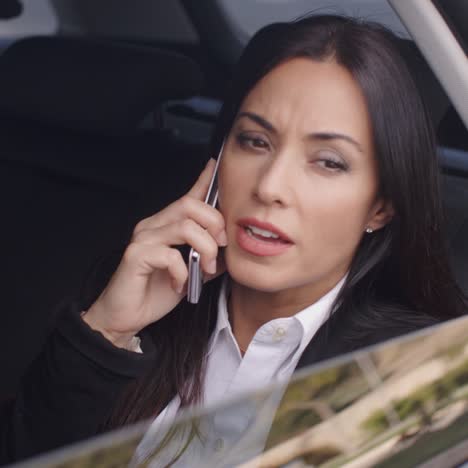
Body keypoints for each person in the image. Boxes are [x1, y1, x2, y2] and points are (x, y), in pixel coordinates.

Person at [1, 14, 465, 465]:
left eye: (328, 162)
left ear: (381, 206)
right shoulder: (133, 315)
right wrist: (105, 332)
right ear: (219, 160)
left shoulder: (418, 373)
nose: (270, 187)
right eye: (255, 142)